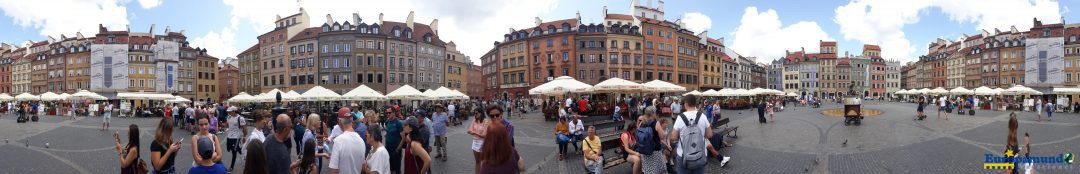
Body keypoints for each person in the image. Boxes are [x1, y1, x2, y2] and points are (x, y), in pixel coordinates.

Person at [670, 95, 715, 173]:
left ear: (686, 104)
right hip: (700, 154)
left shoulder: (680, 118)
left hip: (683, 155)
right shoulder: (702, 116)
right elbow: (710, 134)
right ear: (695, 104)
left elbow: (673, 137)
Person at [639, 107, 668, 174]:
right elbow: (662, 136)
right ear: (652, 113)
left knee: (648, 169)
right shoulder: (655, 123)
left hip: (644, 150)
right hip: (655, 151)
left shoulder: (642, 122)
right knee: (658, 169)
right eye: (655, 112)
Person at [224, 107, 246, 171]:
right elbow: (227, 125)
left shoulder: (240, 118)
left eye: (230, 111)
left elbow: (244, 128)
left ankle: (231, 167)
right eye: (228, 111)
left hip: (236, 137)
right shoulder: (229, 117)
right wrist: (223, 125)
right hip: (229, 137)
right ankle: (245, 155)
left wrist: (244, 137)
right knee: (231, 149)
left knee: (234, 151)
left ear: (234, 111)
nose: (228, 112)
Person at [468, 109, 489, 174]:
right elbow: (469, 130)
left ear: (481, 113)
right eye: (474, 113)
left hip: (482, 143)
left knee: (484, 161)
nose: (475, 114)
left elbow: (484, 135)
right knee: (477, 161)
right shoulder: (474, 120)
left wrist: (474, 132)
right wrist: (476, 133)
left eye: (476, 113)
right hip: (475, 142)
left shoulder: (486, 121)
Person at [384, 110, 404, 174]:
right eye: (387, 113)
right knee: (390, 167)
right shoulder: (387, 122)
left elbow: (403, 138)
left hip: (396, 149)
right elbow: (387, 132)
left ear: (394, 113)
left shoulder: (398, 123)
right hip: (388, 148)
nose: (388, 114)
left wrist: (398, 149)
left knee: (397, 169)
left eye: (389, 112)